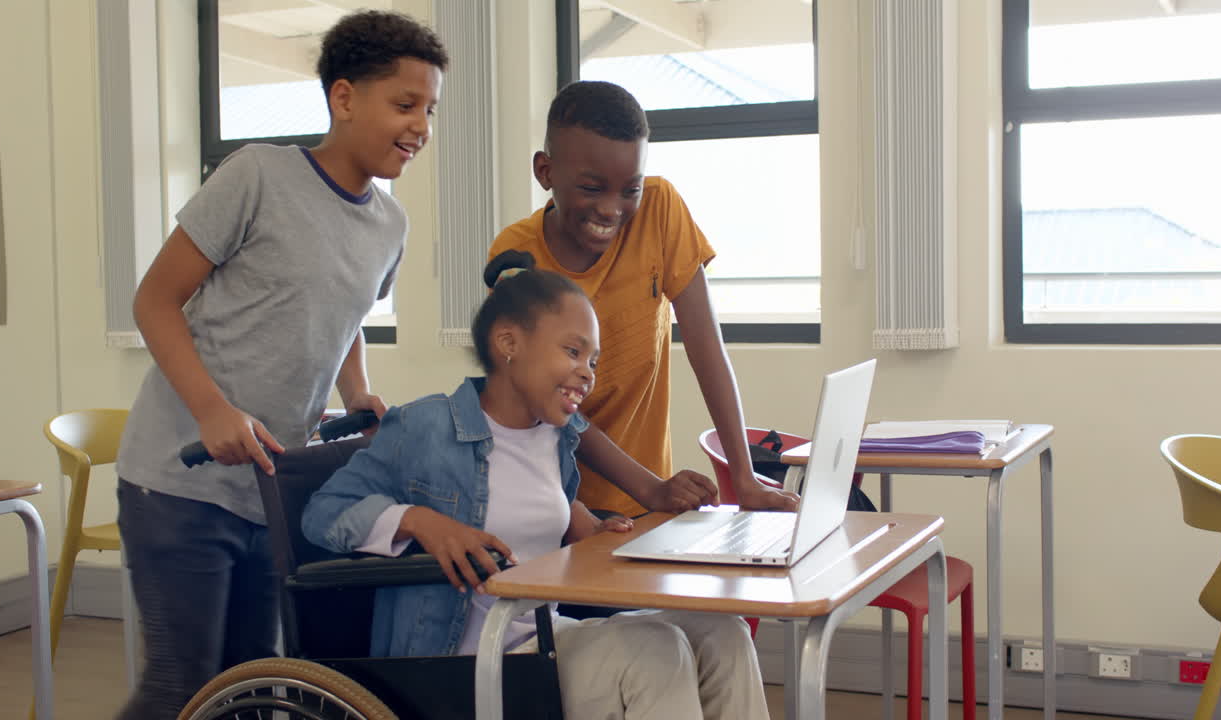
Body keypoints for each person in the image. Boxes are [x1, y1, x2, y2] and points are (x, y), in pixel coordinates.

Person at [112, 10, 446, 717]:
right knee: (182, 685)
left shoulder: (390, 224)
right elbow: (154, 301)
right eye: (405, 104)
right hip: (178, 483)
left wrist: (359, 391)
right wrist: (212, 409)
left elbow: (344, 312)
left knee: (249, 689)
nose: (420, 126)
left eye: (429, 110)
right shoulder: (257, 176)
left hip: (272, 491)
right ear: (345, 97)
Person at [301, 250, 769, 720]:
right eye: (572, 351)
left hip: (541, 639)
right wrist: (422, 523)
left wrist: (592, 532)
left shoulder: (555, 436)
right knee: (655, 650)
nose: (588, 371)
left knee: (722, 633)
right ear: (509, 343)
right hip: (460, 663)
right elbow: (324, 513)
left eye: (593, 359)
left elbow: (543, 515)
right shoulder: (426, 426)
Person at [489, 80, 799, 518]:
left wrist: (743, 479)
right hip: (556, 503)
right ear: (545, 172)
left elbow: (706, 347)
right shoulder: (516, 258)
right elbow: (551, 403)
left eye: (629, 190)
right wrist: (651, 488)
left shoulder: (660, 209)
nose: (612, 209)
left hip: (648, 503)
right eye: (592, 189)